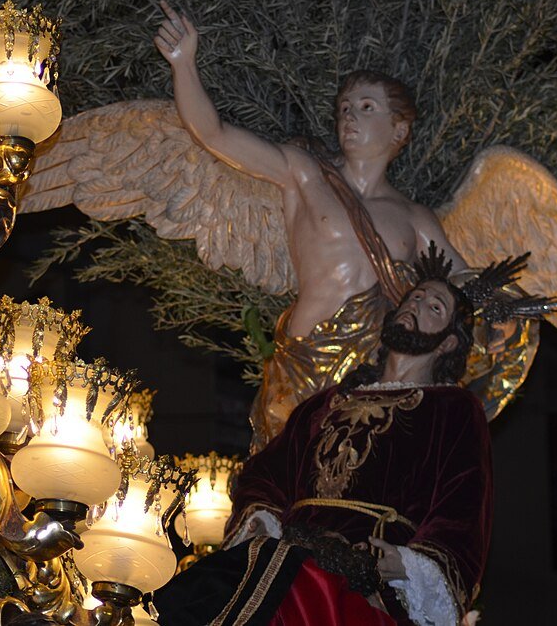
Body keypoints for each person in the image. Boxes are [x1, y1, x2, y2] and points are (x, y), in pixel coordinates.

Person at [154, 2, 466, 451]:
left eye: (365, 107)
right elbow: (216, 135)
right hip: (303, 359)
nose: (349, 117)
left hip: (373, 371)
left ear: (399, 129)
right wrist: (184, 64)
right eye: (343, 108)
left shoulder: (416, 219)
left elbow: (462, 287)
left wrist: (505, 309)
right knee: (286, 480)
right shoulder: (304, 173)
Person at [152, 245, 493, 626]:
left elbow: (461, 504)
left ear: (448, 342)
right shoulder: (325, 403)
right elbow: (267, 472)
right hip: (288, 549)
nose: (416, 305)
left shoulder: (454, 407)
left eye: (435, 307)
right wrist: (262, 518)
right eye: (415, 297)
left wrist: (411, 564)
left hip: (367, 570)